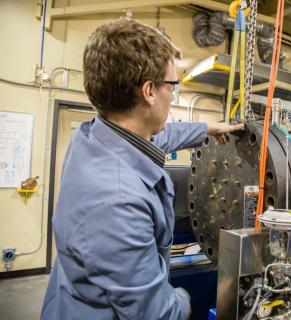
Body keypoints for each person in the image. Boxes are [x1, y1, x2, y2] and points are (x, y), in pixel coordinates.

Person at [41, 18, 243, 320]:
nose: (172, 94)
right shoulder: (117, 202)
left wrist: (208, 128)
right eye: (172, 85)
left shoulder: (92, 135)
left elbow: (161, 137)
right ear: (149, 90)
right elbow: (156, 313)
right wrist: (186, 297)